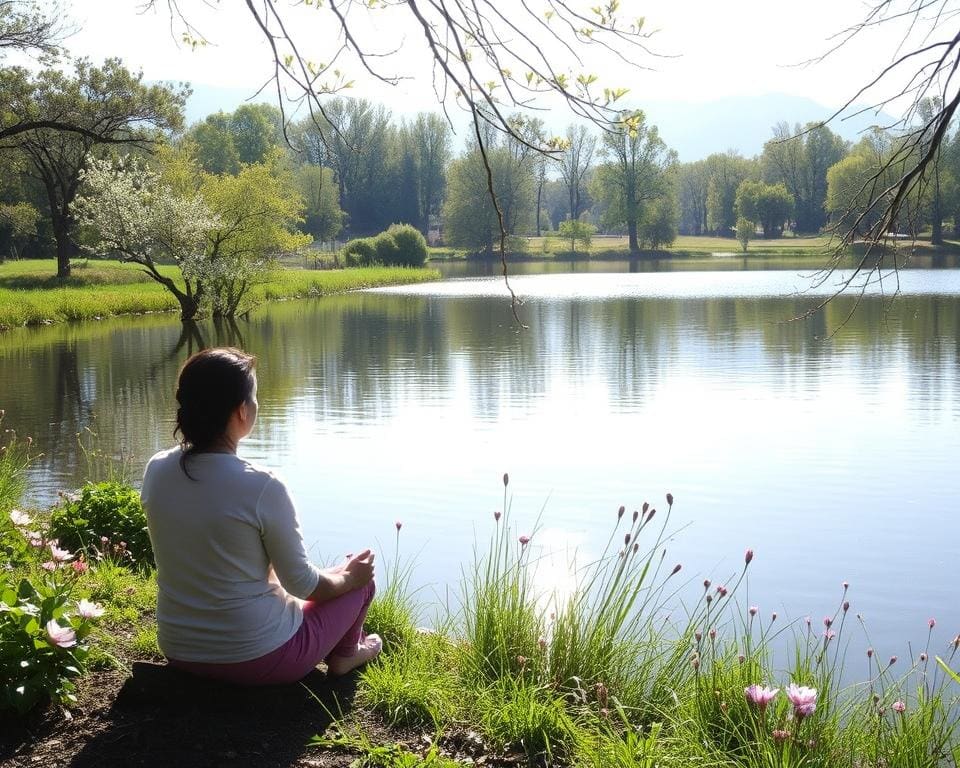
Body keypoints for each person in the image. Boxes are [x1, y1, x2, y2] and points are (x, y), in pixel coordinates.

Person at [141, 346, 381, 685]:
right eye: (253, 397)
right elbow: (302, 584)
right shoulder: (263, 487)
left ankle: (341, 624)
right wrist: (350, 579)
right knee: (361, 584)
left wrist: (338, 574)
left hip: (179, 649)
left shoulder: (157, 469)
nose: (256, 404)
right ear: (241, 411)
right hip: (261, 658)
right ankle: (347, 654)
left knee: (338, 574)